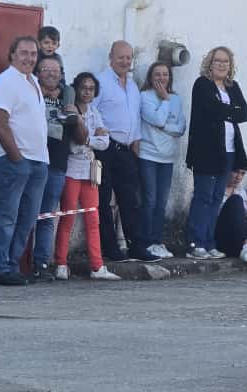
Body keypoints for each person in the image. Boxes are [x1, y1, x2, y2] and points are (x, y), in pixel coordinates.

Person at [0, 36, 49, 286]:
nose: (29, 58)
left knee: (27, 219)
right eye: (23, 53)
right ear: (12, 54)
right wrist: (17, 159)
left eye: (33, 54)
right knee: (7, 216)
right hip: (12, 161)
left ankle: (12, 266)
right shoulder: (5, 82)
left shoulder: (33, 80)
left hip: (37, 162)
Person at [93, 41, 156, 263]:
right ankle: (110, 249)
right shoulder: (101, 81)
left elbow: (135, 119)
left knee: (130, 200)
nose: (125, 62)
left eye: (129, 58)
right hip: (105, 148)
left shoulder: (132, 85)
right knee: (103, 201)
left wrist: (137, 149)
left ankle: (136, 247)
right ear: (111, 57)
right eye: (121, 57)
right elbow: (91, 109)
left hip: (127, 150)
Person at [53, 72, 120, 282]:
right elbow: (74, 144)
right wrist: (95, 137)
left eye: (91, 89)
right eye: (83, 87)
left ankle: (97, 265)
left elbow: (105, 142)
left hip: (90, 170)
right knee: (68, 217)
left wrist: (90, 139)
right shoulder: (70, 111)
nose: (87, 92)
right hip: (72, 169)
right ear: (76, 88)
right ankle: (61, 263)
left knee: (93, 219)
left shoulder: (94, 112)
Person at [185, 46, 247, 260]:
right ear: (209, 64)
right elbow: (213, 109)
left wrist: (226, 112)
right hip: (207, 152)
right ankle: (195, 243)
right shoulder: (202, 84)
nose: (222, 65)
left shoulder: (233, 86)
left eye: (225, 61)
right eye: (217, 60)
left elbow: (245, 114)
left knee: (216, 198)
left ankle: (209, 242)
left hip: (228, 151)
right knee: (203, 196)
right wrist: (231, 112)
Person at [31, 54, 82, 282]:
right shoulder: (30, 94)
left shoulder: (68, 97)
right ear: (37, 73)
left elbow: (81, 138)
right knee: (24, 214)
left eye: (56, 71)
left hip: (57, 165)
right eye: (46, 70)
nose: (51, 74)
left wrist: (77, 117)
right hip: (32, 162)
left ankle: (41, 264)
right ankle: (16, 262)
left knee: (47, 216)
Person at [138, 61, 186, 259]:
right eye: (157, 74)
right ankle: (146, 242)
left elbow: (181, 127)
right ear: (151, 77)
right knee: (149, 200)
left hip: (168, 158)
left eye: (165, 74)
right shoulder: (145, 97)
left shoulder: (176, 98)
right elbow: (157, 120)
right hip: (148, 154)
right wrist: (164, 102)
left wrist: (165, 126)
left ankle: (158, 241)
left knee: (161, 202)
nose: (161, 78)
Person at [215, 167, 247, 266]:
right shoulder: (215, 188)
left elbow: (246, 215)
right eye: (236, 172)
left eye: (242, 173)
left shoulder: (241, 191)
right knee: (236, 200)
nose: (238, 177)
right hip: (221, 237)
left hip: (238, 236)